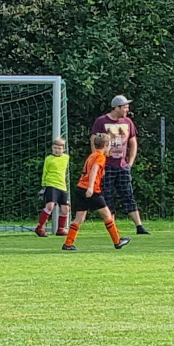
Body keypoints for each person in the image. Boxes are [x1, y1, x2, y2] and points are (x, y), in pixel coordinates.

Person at [62, 133, 130, 251]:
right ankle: (117, 241)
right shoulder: (100, 157)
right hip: (91, 189)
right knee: (107, 214)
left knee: (79, 218)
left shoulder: (92, 155)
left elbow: (90, 170)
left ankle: (68, 243)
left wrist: (100, 174)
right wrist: (90, 187)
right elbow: (93, 170)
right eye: (109, 146)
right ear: (106, 145)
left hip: (80, 188)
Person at [91, 95, 148, 234]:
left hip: (122, 166)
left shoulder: (128, 122)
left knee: (127, 194)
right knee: (108, 196)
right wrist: (99, 163)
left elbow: (133, 142)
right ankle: (113, 228)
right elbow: (94, 141)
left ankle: (139, 226)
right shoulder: (101, 121)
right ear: (117, 107)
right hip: (107, 165)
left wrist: (130, 163)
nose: (127, 110)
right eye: (125, 107)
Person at [35, 137, 71, 237]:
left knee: (65, 208)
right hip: (51, 184)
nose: (57, 150)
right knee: (50, 205)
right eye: (55, 148)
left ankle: (60, 229)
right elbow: (45, 172)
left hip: (62, 186)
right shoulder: (49, 159)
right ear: (52, 148)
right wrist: (44, 185)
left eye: (59, 148)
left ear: (63, 149)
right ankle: (39, 227)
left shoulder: (66, 158)